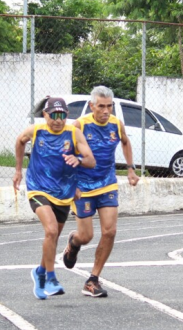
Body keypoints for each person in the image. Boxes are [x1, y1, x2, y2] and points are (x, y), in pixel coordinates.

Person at [13, 96, 95, 300]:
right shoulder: (36, 130)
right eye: (53, 116)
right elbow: (19, 141)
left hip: (63, 192)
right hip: (38, 187)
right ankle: (51, 278)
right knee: (50, 230)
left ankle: (39, 272)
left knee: (53, 237)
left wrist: (78, 159)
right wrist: (18, 170)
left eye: (62, 116)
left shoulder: (74, 134)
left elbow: (91, 161)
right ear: (45, 115)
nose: (58, 120)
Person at [61, 86, 139, 298]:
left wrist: (130, 169)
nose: (106, 111)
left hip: (107, 184)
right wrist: (71, 184)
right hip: (83, 187)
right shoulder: (80, 125)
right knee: (86, 236)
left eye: (109, 107)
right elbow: (66, 155)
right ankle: (74, 242)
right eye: (101, 107)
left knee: (110, 231)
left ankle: (93, 279)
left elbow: (126, 142)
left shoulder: (116, 124)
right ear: (92, 106)